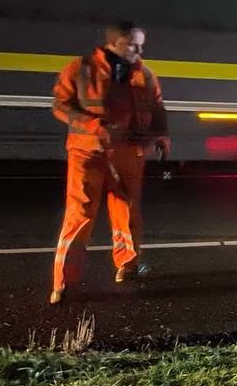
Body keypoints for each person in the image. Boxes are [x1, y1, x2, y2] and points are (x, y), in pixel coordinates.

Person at [50, 21, 169, 304]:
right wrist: (93, 126)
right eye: (133, 45)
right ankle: (63, 281)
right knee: (80, 215)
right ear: (114, 44)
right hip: (88, 153)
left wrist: (162, 134)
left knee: (127, 212)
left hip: (128, 152)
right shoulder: (80, 69)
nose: (140, 51)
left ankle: (127, 265)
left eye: (142, 45)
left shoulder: (145, 74)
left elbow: (157, 105)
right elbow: (60, 106)